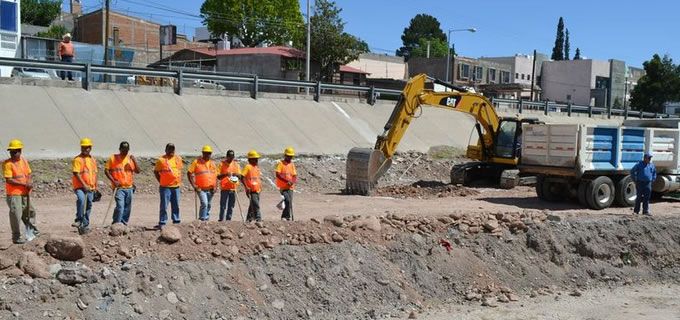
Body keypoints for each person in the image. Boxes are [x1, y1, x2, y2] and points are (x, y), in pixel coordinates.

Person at [3, 139, 39, 244]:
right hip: (14, 194)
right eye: (11, 152)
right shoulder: (8, 164)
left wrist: (29, 182)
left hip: (25, 192)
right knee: (16, 215)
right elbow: (9, 179)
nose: (13, 153)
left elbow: (28, 174)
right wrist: (24, 184)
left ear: (20, 151)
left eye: (15, 151)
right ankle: (16, 237)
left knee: (30, 212)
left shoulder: (23, 160)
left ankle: (32, 231)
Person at [105, 141, 140, 225]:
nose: (125, 151)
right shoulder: (113, 158)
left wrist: (134, 161)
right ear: (120, 149)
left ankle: (124, 223)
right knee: (120, 206)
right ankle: (116, 223)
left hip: (129, 187)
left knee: (127, 207)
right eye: (123, 149)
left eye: (127, 150)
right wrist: (113, 181)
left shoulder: (130, 159)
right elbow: (106, 171)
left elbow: (138, 171)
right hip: (119, 188)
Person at [72, 138, 98, 234]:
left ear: (90, 148)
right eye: (83, 147)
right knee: (81, 200)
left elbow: (95, 174)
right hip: (80, 187)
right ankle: (78, 220)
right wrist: (84, 185)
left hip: (90, 187)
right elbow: (76, 173)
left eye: (87, 147)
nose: (85, 149)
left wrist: (95, 187)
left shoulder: (92, 160)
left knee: (88, 206)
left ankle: (85, 225)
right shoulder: (77, 160)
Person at [154, 143, 183, 228]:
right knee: (164, 205)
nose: (171, 151)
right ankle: (162, 222)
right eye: (169, 149)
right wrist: (161, 181)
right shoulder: (161, 160)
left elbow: (179, 170)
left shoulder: (178, 159)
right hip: (165, 187)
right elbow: (156, 172)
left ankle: (176, 221)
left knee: (176, 205)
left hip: (176, 186)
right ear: (166, 150)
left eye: (172, 149)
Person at [188, 145, 218, 221]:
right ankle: (202, 219)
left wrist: (215, 186)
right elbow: (189, 173)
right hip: (201, 189)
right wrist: (194, 186)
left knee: (208, 204)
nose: (207, 155)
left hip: (211, 188)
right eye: (206, 153)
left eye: (209, 153)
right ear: (203, 153)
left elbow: (215, 176)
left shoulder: (212, 163)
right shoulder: (196, 162)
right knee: (204, 203)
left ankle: (206, 219)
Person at [217, 150, 241, 221]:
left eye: (232, 156)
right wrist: (226, 174)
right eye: (229, 156)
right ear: (226, 156)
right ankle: (221, 220)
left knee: (231, 206)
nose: (231, 158)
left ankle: (228, 220)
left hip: (233, 188)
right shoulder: (221, 164)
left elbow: (240, 175)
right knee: (223, 206)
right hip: (224, 188)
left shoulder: (236, 165)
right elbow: (218, 176)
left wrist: (235, 174)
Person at [275, 147, 297, 221]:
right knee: (287, 200)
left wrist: (292, 181)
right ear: (285, 155)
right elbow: (278, 174)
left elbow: (294, 175)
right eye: (288, 156)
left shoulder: (292, 164)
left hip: (290, 187)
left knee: (289, 202)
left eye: (291, 156)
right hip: (283, 187)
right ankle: (285, 216)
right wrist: (286, 181)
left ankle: (286, 217)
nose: (290, 157)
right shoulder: (281, 164)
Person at [242, 150, 262, 222]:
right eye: (255, 158)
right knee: (256, 204)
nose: (257, 160)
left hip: (257, 190)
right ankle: (258, 218)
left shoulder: (256, 167)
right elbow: (242, 177)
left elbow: (257, 178)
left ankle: (249, 219)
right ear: (250, 159)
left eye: (257, 158)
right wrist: (246, 187)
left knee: (252, 205)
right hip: (251, 190)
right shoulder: (248, 167)